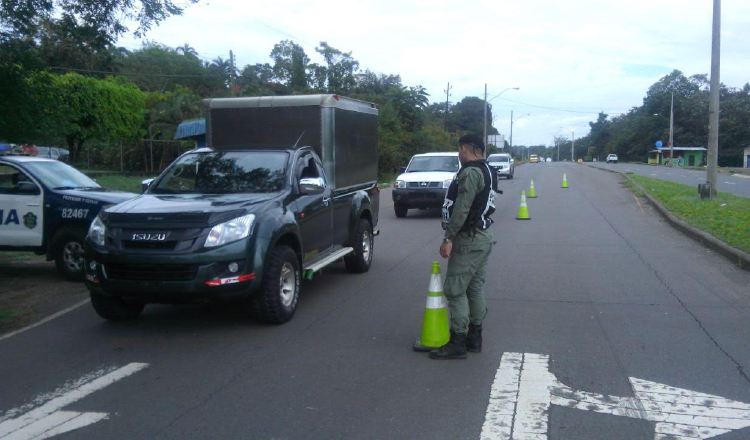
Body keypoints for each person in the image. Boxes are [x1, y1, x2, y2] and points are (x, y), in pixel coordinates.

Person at [430, 134, 496, 360]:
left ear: (467, 148)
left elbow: (462, 208)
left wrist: (448, 238)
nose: (459, 154)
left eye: (460, 149)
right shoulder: (487, 170)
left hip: (469, 238)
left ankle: (458, 341)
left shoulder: (470, 172)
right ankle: (475, 338)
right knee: (474, 287)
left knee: (455, 289)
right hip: (483, 236)